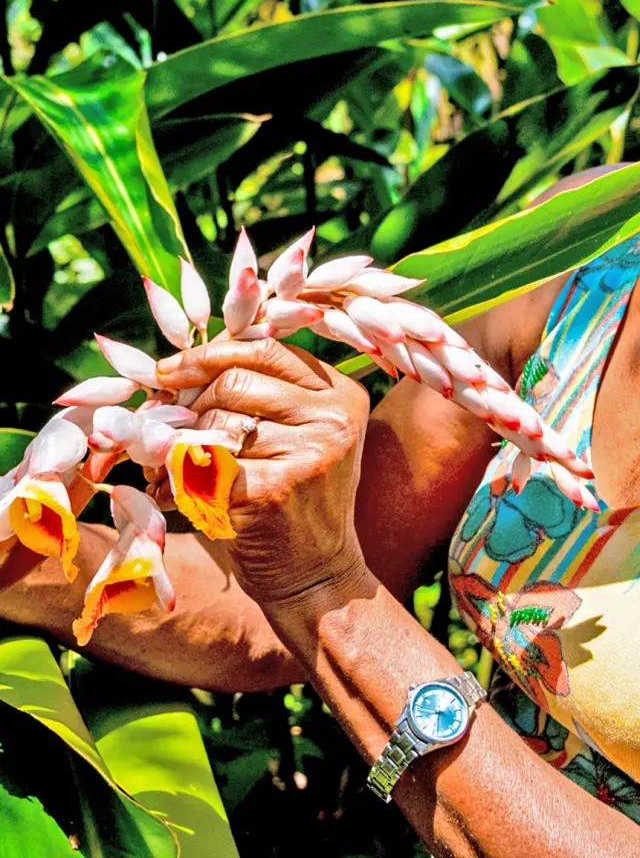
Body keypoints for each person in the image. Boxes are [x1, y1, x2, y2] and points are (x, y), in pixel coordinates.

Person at [2, 165, 640, 855]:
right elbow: (261, 613)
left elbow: (317, 589)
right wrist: (28, 542)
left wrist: (327, 591)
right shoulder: (587, 250)